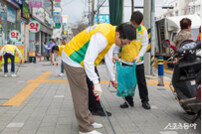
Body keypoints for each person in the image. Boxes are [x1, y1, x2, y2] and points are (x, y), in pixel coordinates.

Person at [62, 23, 136, 134]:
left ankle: (89, 120)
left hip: (80, 59)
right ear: (118, 34)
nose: (122, 46)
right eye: (123, 43)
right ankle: (85, 128)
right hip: (73, 58)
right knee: (81, 93)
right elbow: (88, 61)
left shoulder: (111, 36)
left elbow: (108, 59)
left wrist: (112, 79)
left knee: (87, 91)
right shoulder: (102, 36)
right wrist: (96, 83)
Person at [113, 11, 151, 110]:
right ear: (130, 21)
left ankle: (145, 101)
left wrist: (139, 55)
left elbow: (145, 44)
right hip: (125, 60)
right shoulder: (124, 29)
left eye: (137, 25)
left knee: (141, 82)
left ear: (140, 23)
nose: (135, 26)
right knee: (127, 82)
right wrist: (115, 54)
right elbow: (118, 42)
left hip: (138, 62)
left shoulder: (143, 31)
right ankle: (128, 101)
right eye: (133, 24)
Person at [88, 44, 116, 117]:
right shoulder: (109, 40)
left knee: (91, 83)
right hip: (86, 61)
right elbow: (108, 59)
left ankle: (91, 107)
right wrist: (113, 79)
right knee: (93, 83)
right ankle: (96, 108)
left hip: (87, 60)